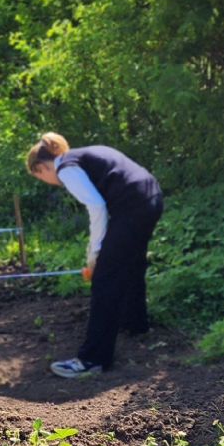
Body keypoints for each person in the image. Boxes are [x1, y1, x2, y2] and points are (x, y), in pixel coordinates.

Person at [25, 132, 163, 379]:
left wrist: (95, 254)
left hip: (132, 206)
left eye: (39, 177)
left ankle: (92, 359)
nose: (47, 181)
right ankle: (136, 324)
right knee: (132, 264)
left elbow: (97, 207)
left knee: (105, 279)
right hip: (151, 197)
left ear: (41, 167)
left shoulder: (66, 167)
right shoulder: (82, 155)